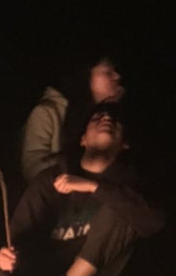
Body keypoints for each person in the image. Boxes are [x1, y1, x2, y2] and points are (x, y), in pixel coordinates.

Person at [0, 104, 164, 276]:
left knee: (123, 206)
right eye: (97, 117)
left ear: (124, 144)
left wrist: (93, 186)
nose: (106, 118)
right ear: (82, 139)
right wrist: (11, 258)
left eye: (115, 120)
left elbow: (155, 222)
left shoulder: (129, 186)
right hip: (48, 275)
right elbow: (21, 235)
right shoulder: (50, 180)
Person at [21, 52, 125, 184]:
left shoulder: (107, 117)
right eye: (107, 72)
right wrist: (81, 156)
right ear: (86, 77)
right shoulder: (48, 112)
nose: (117, 76)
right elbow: (32, 171)